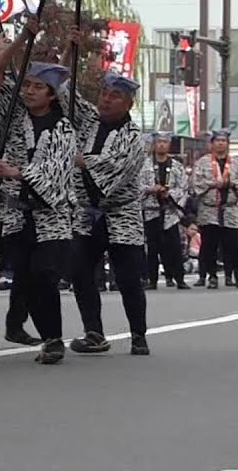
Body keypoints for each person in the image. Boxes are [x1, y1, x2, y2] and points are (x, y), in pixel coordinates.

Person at [0, 26, 79, 365]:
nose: (30, 91)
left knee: (44, 277)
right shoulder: (14, 116)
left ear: (53, 94)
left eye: (39, 86)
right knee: (26, 277)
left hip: (51, 217)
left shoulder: (62, 128)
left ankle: (53, 338)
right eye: (28, 84)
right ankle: (28, 328)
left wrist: (18, 171)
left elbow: (57, 172)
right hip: (17, 215)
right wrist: (21, 39)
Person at [61, 72, 150, 356]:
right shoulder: (88, 120)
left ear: (128, 104)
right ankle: (93, 332)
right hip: (87, 214)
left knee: (127, 277)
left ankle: (138, 334)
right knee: (80, 271)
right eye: (104, 94)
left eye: (115, 97)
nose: (107, 100)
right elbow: (63, 94)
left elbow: (114, 170)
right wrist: (68, 51)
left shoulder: (134, 137)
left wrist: (82, 162)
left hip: (121, 213)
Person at [190, 129, 238, 288]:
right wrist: (212, 184)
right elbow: (195, 184)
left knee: (232, 244)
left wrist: (231, 184)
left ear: (227, 143)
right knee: (209, 244)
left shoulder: (236, 163)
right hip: (209, 208)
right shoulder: (202, 162)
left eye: (223, 141)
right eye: (217, 141)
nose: (220, 143)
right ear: (212, 144)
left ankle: (237, 276)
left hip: (230, 208)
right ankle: (211, 276)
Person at [139, 132, 189, 289]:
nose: (161, 144)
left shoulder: (177, 166)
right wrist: (149, 189)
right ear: (154, 144)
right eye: (159, 142)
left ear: (169, 145)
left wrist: (170, 194)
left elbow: (183, 187)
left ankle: (179, 278)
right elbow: (135, 186)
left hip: (170, 211)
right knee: (152, 248)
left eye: (165, 142)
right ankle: (151, 280)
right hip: (151, 210)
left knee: (174, 247)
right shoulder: (143, 165)